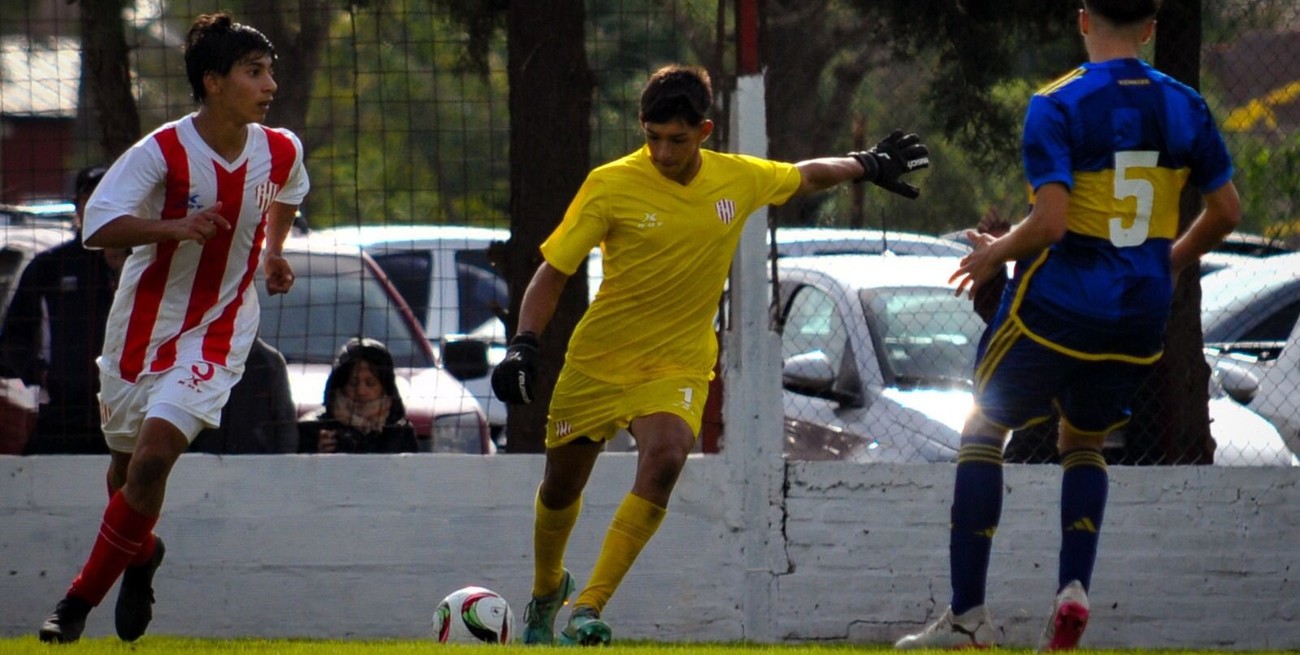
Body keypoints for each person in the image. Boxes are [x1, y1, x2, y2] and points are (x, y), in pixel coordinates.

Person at [490, 64, 930, 646]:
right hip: (599, 360)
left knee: (668, 456)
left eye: (676, 139)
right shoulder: (610, 184)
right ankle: (548, 588)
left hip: (677, 364)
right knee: (560, 489)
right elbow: (554, 270)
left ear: (704, 130)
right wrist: (523, 343)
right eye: (652, 138)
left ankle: (587, 608)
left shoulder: (735, 179)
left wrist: (867, 163)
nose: (663, 152)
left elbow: (801, 176)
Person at [894, 1, 1240, 650]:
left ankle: (968, 618)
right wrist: (1170, 258)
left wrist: (994, 251)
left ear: (1083, 19)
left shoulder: (1057, 103)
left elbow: (1051, 222)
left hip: (1060, 303)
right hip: (1140, 314)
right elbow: (1226, 208)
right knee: (1082, 441)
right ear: (1150, 27)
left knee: (983, 427)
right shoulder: (1186, 105)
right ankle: (1072, 587)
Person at [37, 12, 308, 643]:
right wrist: (172, 228)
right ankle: (142, 554)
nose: (269, 86)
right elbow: (96, 225)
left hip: (219, 328)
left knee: (155, 458)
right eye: (254, 72)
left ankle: (74, 604)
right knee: (126, 474)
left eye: (270, 72)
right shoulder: (163, 150)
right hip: (140, 327)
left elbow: (291, 190)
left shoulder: (282, 148)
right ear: (214, 82)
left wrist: (272, 251)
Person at [0, 166, 129, 454]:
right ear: (78, 206)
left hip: (131, 415)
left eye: (111, 197)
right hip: (62, 417)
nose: (102, 206)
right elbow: (13, 337)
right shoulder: (49, 267)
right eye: (92, 199)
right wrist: (42, 376)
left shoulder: (144, 263)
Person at [297, 337, 418, 454]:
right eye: (353, 383)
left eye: (370, 384)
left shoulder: (400, 431)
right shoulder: (312, 428)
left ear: (385, 387)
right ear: (341, 385)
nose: (361, 391)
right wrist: (316, 454)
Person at [190, 336, 298, 454]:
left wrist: (283, 462)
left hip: (255, 460)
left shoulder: (270, 361)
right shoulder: (200, 356)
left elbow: (285, 421)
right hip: (205, 458)